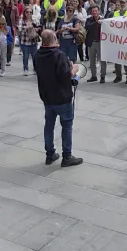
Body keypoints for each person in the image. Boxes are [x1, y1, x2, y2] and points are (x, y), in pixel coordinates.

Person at [35, 30, 83, 167]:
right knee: (66, 126)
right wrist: (73, 69)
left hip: (47, 96)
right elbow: (65, 76)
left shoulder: (38, 54)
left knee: (49, 125)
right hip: (62, 97)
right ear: (54, 38)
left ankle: (50, 154)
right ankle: (67, 156)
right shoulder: (59, 55)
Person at [17, 9, 39, 76]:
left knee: (34, 56)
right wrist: (27, 27)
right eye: (27, 12)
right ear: (24, 13)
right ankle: (25, 69)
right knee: (25, 56)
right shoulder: (22, 20)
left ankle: (35, 69)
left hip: (33, 40)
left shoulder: (34, 19)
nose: (29, 13)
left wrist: (37, 29)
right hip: (24, 41)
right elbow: (20, 28)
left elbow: (38, 27)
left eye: (30, 12)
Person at [85, 6, 102, 83]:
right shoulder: (89, 20)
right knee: (92, 61)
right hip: (91, 42)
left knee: (102, 60)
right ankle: (93, 76)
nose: (94, 12)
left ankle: (102, 76)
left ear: (99, 11)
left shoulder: (103, 19)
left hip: (100, 42)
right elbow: (88, 27)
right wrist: (96, 22)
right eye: (93, 11)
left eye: (96, 11)